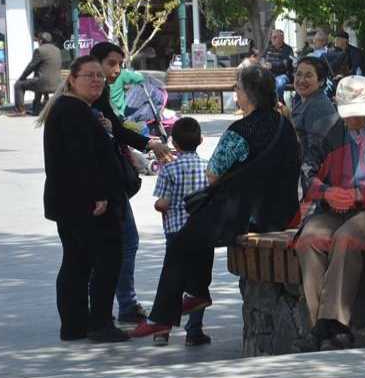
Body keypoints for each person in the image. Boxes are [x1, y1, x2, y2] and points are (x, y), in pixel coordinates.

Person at [132, 65, 302, 339]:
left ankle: (163, 316)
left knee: (183, 240)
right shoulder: (285, 124)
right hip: (283, 212)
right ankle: (197, 293)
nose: (235, 92)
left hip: (250, 215)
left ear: (248, 94)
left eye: (237, 87)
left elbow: (212, 175)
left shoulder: (241, 129)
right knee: (201, 228)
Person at [296, 76, 365, 351]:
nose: (352, 120)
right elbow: (308, 171)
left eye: (357, 113)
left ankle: (333, 324)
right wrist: (326, 192)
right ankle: (322, 328)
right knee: (309, 239)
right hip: (334, 204)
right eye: (347, 113)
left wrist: (363, 193)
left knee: (347, 238)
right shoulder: (327, 127)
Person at [41, 56, 131, 342]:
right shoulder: (72, 111)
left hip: (72, 201)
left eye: (99, 77)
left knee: (78, 261)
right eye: (89, 76)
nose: (96, 81)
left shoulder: (77, 109)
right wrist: (99, 195)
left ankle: (76, 324)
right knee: (105, 259)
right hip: (86, 203)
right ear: (72, 79)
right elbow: (82, 159)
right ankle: (99, 323)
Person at [89, 41, 174, 324]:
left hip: (108, 184)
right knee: (122, 244)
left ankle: (117, 306)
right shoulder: (84, 101)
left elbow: (118, 129)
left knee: (119, 245)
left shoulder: (100, 96)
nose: (115, 71)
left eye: (119, 65)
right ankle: (114, 308)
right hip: (101, 186)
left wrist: (149, 143)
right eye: (111, 64)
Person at [151, 117, 212, 347]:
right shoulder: (208, 167)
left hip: (176, 233)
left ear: (174, 143)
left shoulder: (169, 169)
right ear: (201, 140)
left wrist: (158, 206)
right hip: (202, 233)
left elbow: (163, 203)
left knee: (173, 280)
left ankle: (162, 330)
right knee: (197, 285)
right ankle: (194, 331)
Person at [290, 57, 337, 151]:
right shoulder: (302, 100)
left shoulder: (318, 108)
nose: (301, 80)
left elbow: (316, 153)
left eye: (308, 76)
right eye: (298, 74)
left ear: (321, 81)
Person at [12, 32, 63, 116]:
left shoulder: (39, 50)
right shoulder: (57, 50)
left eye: (38, 40)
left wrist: (22, 78)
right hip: (57, 83)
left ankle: (20, 110)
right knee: (37, 78)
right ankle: (36, 110)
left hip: (43, 83)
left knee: (18, 85)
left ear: (41, 41)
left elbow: (31, 66)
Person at [264, 29, 295, 103]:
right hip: (270, 75)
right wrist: (262, 64)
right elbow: (263, 59)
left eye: (275, 37)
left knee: (280, 83)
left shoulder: (288, 49)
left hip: (283, 75)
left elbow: (286, 63)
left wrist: (272, 65)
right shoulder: (269, 49)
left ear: (282, 38)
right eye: (272, 37)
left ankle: (277, 103)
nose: (272, 39)